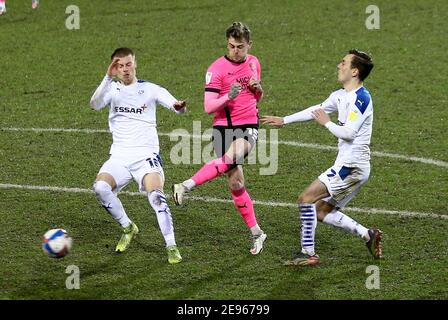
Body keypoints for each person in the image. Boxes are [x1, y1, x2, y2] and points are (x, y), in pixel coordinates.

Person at [262, 49, 382, 266]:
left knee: (305, 198)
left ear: (355, 71)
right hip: (350, 165)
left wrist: (327, 122)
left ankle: (308, 253)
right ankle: (367, 235)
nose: (339, 66)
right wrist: (284, 120)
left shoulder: (362, 99)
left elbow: (349, 133)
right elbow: (315, 110)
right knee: (320, 211)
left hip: (351, 166)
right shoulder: (340, 95)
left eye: (344, 63)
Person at [172, 22, 267, 255]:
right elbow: (208, 107)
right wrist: (228, 96)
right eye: (232, 46)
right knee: (236, 183)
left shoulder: (254, 62)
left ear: (249, 45)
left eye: (240, 47)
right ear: (227, 43)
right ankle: (257, 233)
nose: (236, 50)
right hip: (223, 127)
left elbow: (258, 97)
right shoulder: (216, 70)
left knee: (232, 155)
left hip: (247, 125)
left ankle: (185, 185)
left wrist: (258, 89)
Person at [90, 47, 186, 264]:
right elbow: (94, 104)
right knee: (100, 188)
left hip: (146, 157)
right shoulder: (112, 89)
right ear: (115, 68)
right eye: (120, 65)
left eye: (128, 64)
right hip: (120, 156)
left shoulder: (150, 89)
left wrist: (178, 106)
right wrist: (107, 77)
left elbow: (177, 107)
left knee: (157, 198)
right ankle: (128, 226)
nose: (125, 69)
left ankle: (171, 245)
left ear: (135, 64)